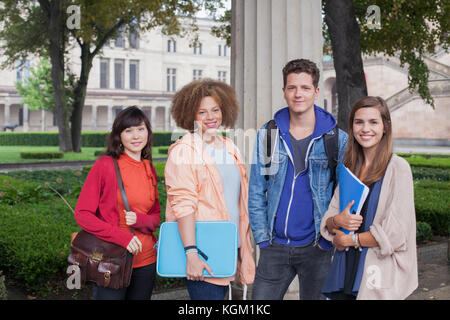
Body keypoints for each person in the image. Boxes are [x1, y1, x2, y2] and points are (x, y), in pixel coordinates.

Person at [248, 58, 348, 300]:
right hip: (274, 248)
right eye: (292, 87)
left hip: (318, 246)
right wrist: (262, 239)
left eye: (304, 88)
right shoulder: (270, 134)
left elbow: (344, 196)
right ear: (284, 92)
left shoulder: (336, 139)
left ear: (315, 91)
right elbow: (256, 190)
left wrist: (328, 241)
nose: (298, 94)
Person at [164, 78, 255, 300]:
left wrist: (244, 247)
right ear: (190, 114)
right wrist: (191, 253)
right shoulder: (184, 151)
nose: (211, 117)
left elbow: (238, 201)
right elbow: (183, 205)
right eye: (202, 112)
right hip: (202, 249)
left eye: (215, 110)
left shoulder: (229, 147)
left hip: (230, 246)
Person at [320, 96, 418, 300]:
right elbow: (329, 219)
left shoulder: (397, 168)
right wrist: (337, 222)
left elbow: (396, 234)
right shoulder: (350, 168)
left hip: (377, 275)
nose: (365, 129)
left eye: (373, 122)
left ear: (385, 127)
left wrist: (349, 239)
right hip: (345, 270)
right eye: (359, 122)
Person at [74, 106, 161, 300]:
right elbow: (82, 213)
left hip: (146, 260)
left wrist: (140, 220)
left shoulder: (149, 168)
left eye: (141, 129)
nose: (136, 136)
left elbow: (155, 216)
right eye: (128, 131)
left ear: (148, 131)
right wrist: (123, 238)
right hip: (111, 260)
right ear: (119, 136)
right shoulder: (105, 165)